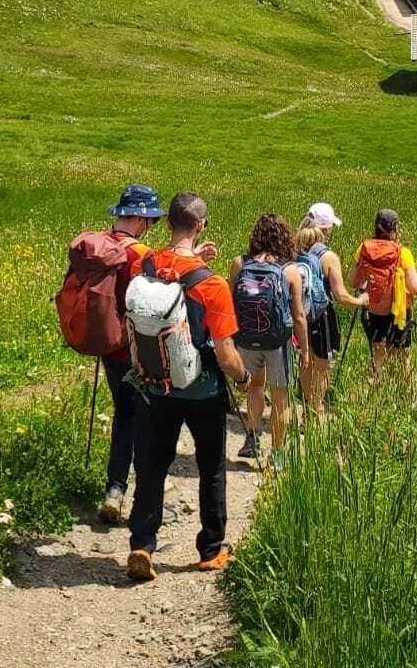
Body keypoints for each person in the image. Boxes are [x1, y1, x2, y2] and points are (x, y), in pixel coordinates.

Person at [126, 192, 249, 581]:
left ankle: (142, 544)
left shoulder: (144, 266)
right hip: (202, 389)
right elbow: (227, 354)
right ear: (200, 227)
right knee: (211, 465)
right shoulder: (211, 284)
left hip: (155, 385)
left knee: (152, 464)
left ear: (167, 224)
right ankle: (210, 550)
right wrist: (243, 379)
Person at [94, 184, 163, 523]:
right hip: (135, 348)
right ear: (139, 218)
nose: (150, 226)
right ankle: (137, 499)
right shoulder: (140, 254)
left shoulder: (101, 245)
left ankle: (115, 488)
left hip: (107, 344)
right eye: (149, 220)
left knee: (124, 413)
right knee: (144, 422)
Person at [229, 214, 308, 463]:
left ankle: (251, 437)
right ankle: (278, 452)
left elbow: (231, 304)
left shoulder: (240, 264)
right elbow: (298, 316)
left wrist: (231, 339)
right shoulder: (289, 271)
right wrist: (304, 349)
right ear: (284, 238)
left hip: (246, 338)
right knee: (280, 396)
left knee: (254, 385)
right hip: (277, 342)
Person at [295, 203, 369, 414]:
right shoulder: (328, 257)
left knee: (306, 360)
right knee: (323, 364)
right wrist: (362, 300)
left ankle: (307, 406)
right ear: (326, 228)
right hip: (322, 315)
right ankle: (316, 409)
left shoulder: (296, 249)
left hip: (300, 312)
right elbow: (341, 296)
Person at [351, 209, 417, 372]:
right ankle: (402, 392)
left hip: (372, 311)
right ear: (395, 229)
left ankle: (374, 387)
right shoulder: (403, 253)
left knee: (377, 353)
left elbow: (352, 280)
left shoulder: (363, 249)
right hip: (398, 314)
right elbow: (416, 288)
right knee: (401, 356)